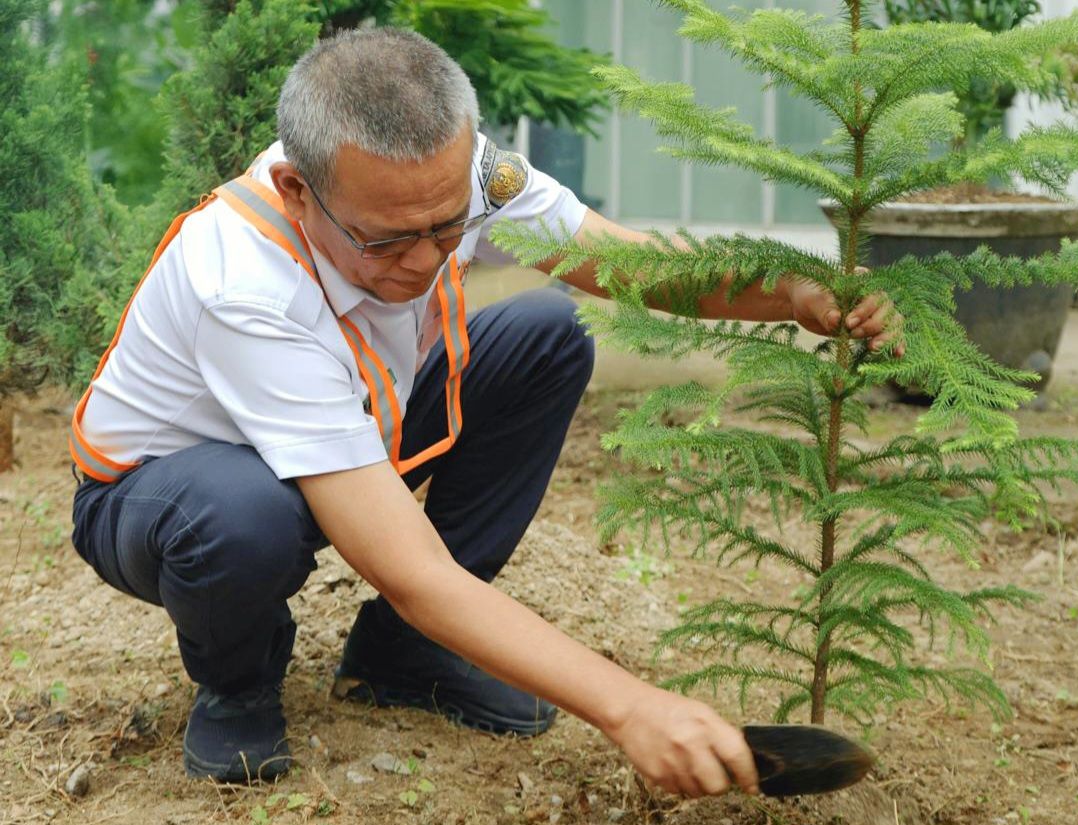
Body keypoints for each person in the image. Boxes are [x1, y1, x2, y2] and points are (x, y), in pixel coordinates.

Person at [68, 27, 901, 797]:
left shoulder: (454, 173)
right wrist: (629, 706)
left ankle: (403, 652)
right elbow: (409, 565)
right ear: (296, 189)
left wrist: (789, 291)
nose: (431, 259)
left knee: (547, 331)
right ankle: (238, 683)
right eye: (391, 241)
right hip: (165, 495)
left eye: (449, 226)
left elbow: (619, 262)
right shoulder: (241, 285)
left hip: (353, 426)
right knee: (239, 514)